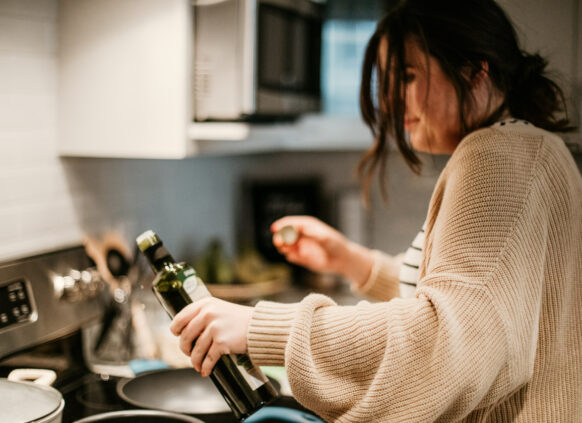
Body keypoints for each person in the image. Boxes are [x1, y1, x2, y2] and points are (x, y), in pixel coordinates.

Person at [169, 0, 582, 421]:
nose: (389, 100)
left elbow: (446, 340)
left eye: (407, 76)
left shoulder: (494, 155)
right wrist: (353, 262)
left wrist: (262, 329)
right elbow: (480, 302)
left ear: (476, 71)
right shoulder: (538, 149)